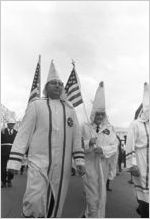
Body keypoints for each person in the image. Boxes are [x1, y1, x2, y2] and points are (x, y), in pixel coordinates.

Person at [7, 60, 85, 218]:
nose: (58, 86)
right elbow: (24, 134)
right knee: (34, 199)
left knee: (55, 203)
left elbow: (76, 137)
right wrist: (15, 161)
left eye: (60, 83)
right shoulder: (36, 105)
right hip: (39, 162)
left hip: (62, 166)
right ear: (46, 87)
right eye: (53, 83)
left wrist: (80, 161)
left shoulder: (70, 110)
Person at [81, 81, 118, 218]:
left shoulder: (109, 128)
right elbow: (77, 146)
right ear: (93, 114)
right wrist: (88, 143)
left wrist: (103, 150)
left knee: (101, 198)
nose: (100, 117)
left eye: (102, 114)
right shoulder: (84, 127)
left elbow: (115, 146)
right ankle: (91, 214)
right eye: (98, 114)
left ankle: (92, 216)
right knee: (92, 198)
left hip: (103, 167)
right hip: (89, 167)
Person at [126, 82, 149, 218]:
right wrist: (132, 164)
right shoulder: (135, 124)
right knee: (145, 197)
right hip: (141, 163)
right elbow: (130, 145)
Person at [1, 119, 17, 188]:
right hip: (3, 152)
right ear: (7, 124)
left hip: (12, 152)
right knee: (3, 168)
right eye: (10, 124)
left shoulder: (16, 133)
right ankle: (3, 182)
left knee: (11, 167)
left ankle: (9, 180)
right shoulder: (2, 131)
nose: (11, 125)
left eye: (13, 124)